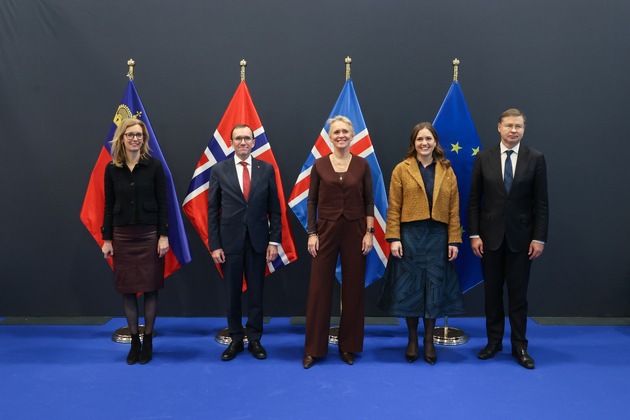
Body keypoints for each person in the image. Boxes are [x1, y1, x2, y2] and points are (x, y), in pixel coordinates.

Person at [468, 108, 549, 369]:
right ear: (499, 128)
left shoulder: (535, 158)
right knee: (492, 294)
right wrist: (474, 234)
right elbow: (474, 200)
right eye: (509, 126)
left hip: (522, 240)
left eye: (518, 126)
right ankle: (493, 343)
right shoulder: (484, 158)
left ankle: (519, 346)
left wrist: (539, 238)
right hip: (489, 238)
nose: (513, 130)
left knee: (518, 295)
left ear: (524, 129)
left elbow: (542, 203)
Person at [378, 122, 464, 365]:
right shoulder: (401, 169)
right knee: (410, 289)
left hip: (438, 236)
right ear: (413, 143)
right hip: (410, 236)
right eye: (419, 139)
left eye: (428, 139)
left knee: (433, 288)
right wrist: (394, 238)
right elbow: (393, 207)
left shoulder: (446, 170)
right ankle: (412, 339)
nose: (424, 143)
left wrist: (454, 240)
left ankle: (428, 340)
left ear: (435, 142)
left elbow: (454, 208)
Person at [302, 115, 374, 369]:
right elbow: (311, 201)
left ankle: (348, 346)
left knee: (353, 289)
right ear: (330, 137)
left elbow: (369, 201)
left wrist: (369, 232)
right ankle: (314, 348)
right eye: (336, 132)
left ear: (352, 136)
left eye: (345, 132)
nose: (341, 136)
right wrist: (312, 233)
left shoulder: (362, 165)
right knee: (319, 289)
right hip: (326, 230)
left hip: (355, 230)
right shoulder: (320, 165)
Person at [208, 124, 282, 362]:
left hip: (258, 242)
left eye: (247, 138)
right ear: (231, 142)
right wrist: (215, 244)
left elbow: (275, 209)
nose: (242, 142)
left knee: (256, 294)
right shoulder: (219, 170)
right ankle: (236, 339)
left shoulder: (266, 169)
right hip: (229, 243)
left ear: (253, 142)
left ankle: (255, 339)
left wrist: (274, 241)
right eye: (238, 138)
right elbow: (212, 211)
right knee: (232, 294)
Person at [101, 118, 169, 365]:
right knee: (128, 290)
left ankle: (148, 340)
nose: (135, 139)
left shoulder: (154, 166)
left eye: (139, 135)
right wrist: (107, 239)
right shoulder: (112, 168)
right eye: (130, 134)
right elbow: (108, 205)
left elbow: (163, 202)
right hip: (122, 235)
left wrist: (163, 235)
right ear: (122, 138)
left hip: (149, 234)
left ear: (144, 139)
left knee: (150, 288)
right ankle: (135, 342)